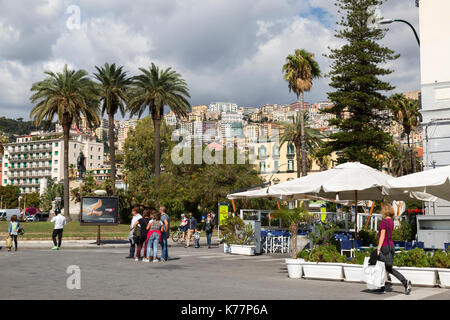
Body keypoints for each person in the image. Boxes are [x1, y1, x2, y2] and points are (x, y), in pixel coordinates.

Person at [375, 203, 412, 294]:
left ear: (384, 211)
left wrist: (378, 248)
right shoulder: (391, 221)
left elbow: (382, 236)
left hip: (384, 246)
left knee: (383, 267)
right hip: (391, 246)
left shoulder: (384, 222)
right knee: (387, 267)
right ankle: (382, 286)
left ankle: (404, 281)